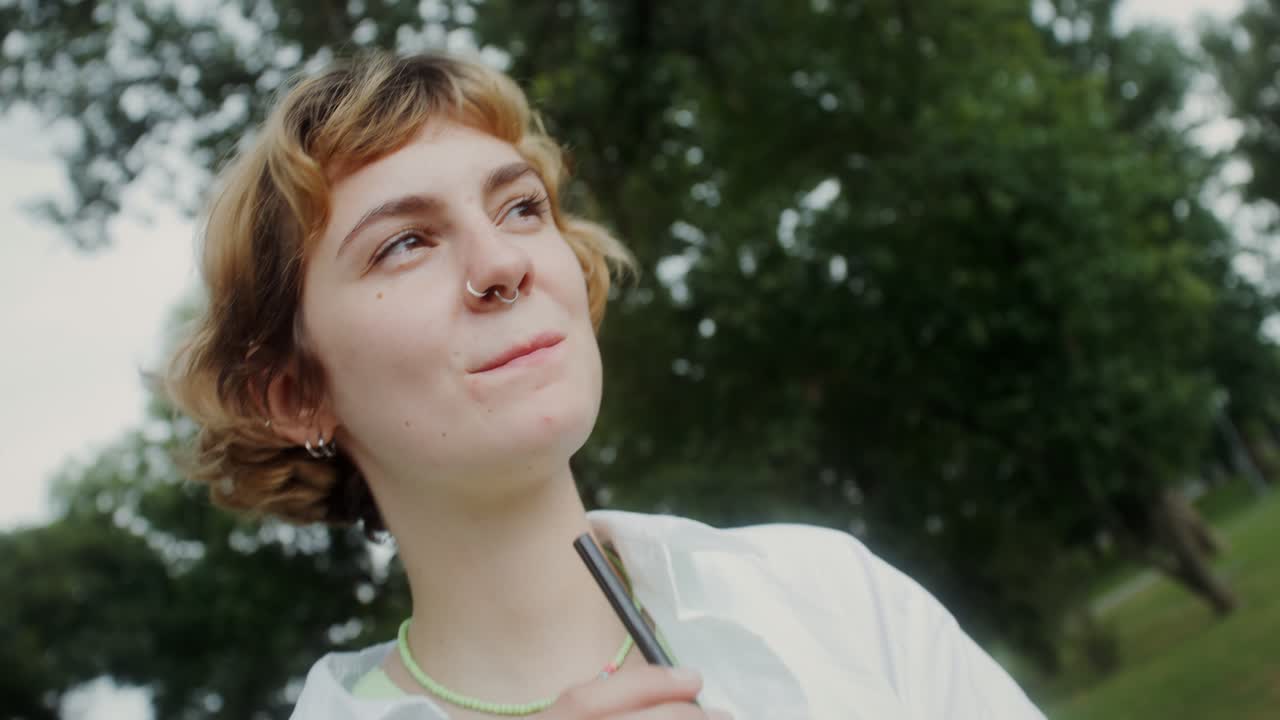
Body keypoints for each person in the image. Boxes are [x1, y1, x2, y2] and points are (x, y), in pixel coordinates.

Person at [163, 50, 1046, 720]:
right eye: (405, 242)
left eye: (520, 207)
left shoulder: (830, 596)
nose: (502, 262)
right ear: (292, 395)